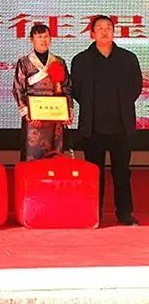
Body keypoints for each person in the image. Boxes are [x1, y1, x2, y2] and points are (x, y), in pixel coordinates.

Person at [71, 15, 142, 226]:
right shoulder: (81, 60)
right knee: (95, 173)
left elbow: (136, 87)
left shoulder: (128, 58)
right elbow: (77, 91)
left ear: (114, 32)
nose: (104, 31)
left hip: (121, 125)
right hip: (93, 127)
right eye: (100, 28)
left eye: (108, 27)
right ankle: (94, 212)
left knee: (122, 173)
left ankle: (124, 213)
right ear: (92, 33)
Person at [12, 24, 73, 161]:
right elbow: (18, 88)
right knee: (32, 152)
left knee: (54, 153)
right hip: (34, 115)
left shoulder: (58, 61)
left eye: (46, 36)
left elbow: (67, 87)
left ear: (51, 39)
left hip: (55, 113)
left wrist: (67, 110)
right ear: (31, 40)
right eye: (39, 37)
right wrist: (27, 112)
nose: (43, 40)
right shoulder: (24, 62)